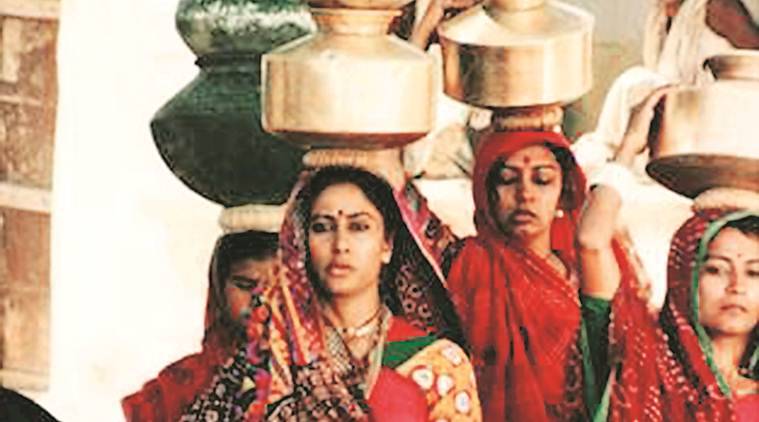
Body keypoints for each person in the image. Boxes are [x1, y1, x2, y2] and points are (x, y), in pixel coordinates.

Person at [577, 90, 759, 421]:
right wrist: (628, 148)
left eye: (754, 272)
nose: (736, 286)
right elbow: (591, 242)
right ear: (683, 277)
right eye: (716, 269)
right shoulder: (642, 365)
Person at [266, 165, 481, 421]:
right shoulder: (274, 356)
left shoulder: (438, 364)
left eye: (359, 227)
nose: (340, 244)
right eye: (322, 227)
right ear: (302, 242)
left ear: (387, 245)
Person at [443, 130, 629, 421]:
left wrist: (628, 146)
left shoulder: (583, 274)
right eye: (507, 180)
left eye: (542, 180)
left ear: (564, 194)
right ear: (486, 193)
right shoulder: (462, 264)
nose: (525, 194)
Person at [121, 230, 280, 421]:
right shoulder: (176, 390)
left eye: (279, 288)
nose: (262, 300)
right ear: (219, 289)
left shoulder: (312, 382)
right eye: (245, 285)